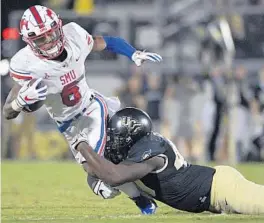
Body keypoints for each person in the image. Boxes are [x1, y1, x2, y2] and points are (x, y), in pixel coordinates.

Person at [2, 5, 162, 214]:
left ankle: (148, 188)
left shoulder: (74, 35)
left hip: (92, 106)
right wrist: (20, 102)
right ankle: (109, 184)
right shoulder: (26, 64)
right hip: (68, 124)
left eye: (51, 34)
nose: (49, 41)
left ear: (59, 27)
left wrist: (133, 54)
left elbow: (108, 42)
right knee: (102, 176)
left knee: (111, 156)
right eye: (42, 39)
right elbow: (7, 112)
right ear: (30, 42)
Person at [74, 107, 264, 215]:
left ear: (132, 135)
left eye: (117, 136)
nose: (114, 142)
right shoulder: (138, 147)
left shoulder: (152, 151)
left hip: (220, 190)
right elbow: (103, 171)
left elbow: (114, 175)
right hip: (214, 188)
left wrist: (82, 146)